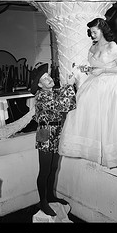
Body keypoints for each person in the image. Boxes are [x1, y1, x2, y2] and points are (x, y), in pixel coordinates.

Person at [59, 18, 117, 168]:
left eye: (95, 31)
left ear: (102, 30)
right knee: (81, 102)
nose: (92, 35)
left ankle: (107, 150)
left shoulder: (113, 46)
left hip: (110, 79)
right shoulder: (92, 49)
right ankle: (88, 144)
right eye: (91, 32)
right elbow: (93, 68)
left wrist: (103, 70)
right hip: (95, 80)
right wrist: (88, 70)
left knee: (99, 107)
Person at [30, 63, 76, 216]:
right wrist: (69, 85)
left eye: (48, 76)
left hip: (56, 131)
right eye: (44, 78)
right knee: (44, 170)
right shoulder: (42, 95)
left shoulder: (53, 91)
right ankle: (42, 201)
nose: (49, 79)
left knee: (54, 168)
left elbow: (62, 95)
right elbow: (65, 105)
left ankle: (50, 196)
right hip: (45, 132)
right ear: (39, 85)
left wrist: (69, 83)